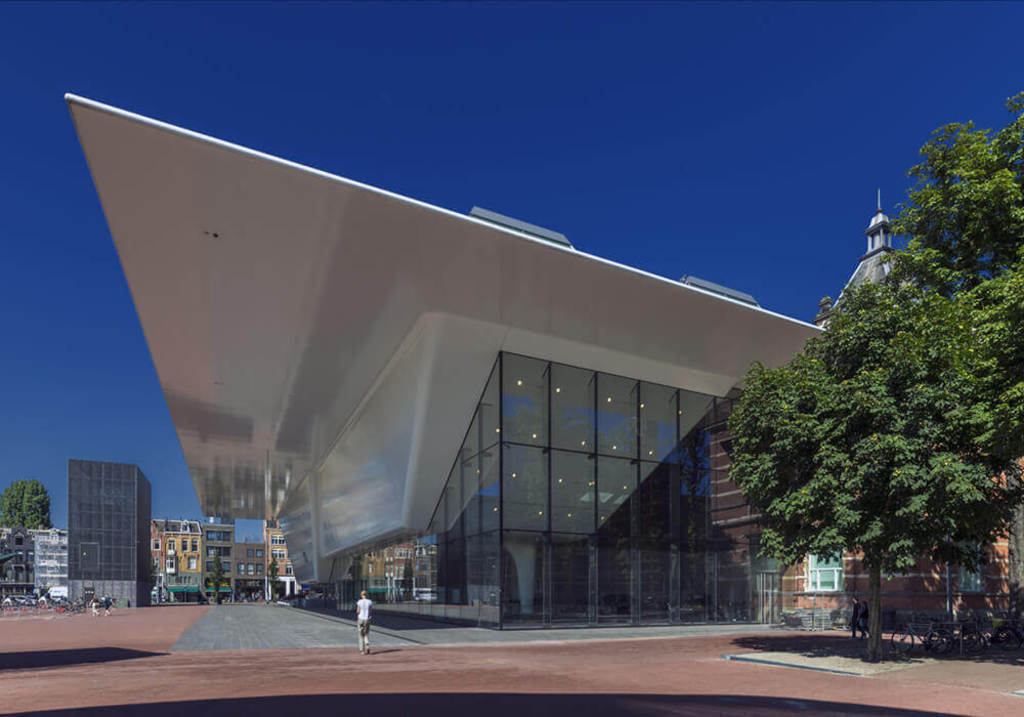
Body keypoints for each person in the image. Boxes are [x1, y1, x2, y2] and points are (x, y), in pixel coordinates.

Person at [356, 590, 373, 655]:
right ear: (367, 595)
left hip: (360, 619)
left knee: (360, 635)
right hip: (367, 619)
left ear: (361, 595)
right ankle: (367, 645)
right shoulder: (370, 602)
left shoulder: (359, 602)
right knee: (366, 633)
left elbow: (358, 611)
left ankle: (362, 651)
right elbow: (370, 610)